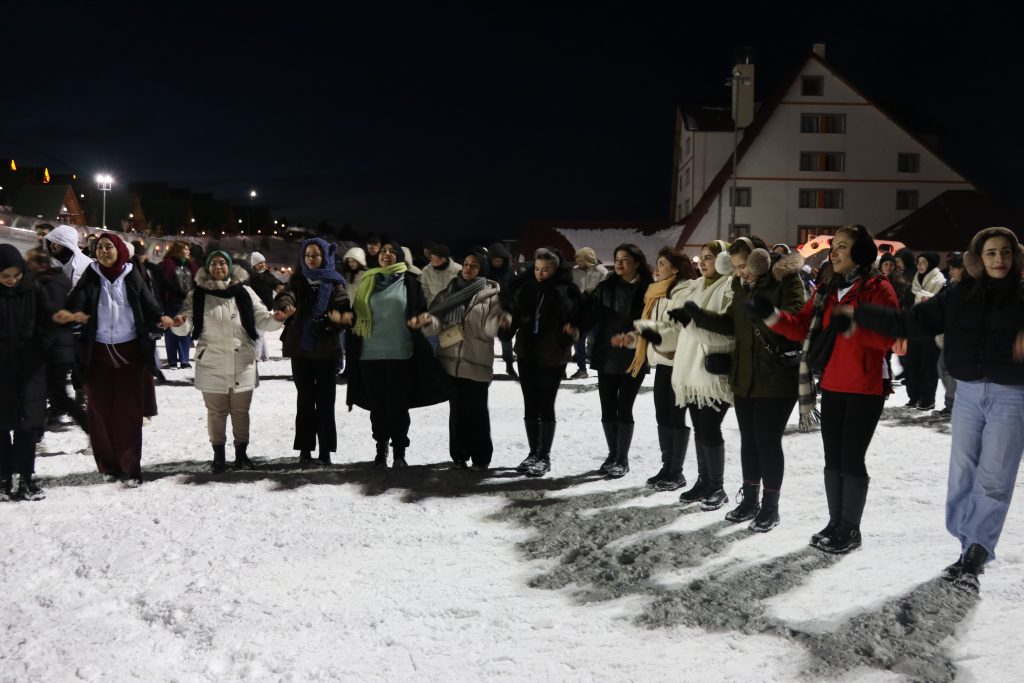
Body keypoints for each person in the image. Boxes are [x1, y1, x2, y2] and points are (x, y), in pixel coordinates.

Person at [834, 226, 1024, 593]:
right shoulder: (959, 294)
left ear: (1014, 256)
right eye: (990, 253)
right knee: (962, 475)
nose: (999, 259)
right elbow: (912, 322)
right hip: (968, 393)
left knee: (994, 478)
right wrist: (861, 317)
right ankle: (967, 541)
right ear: (977, 259)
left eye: (1005, 252)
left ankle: (976, 551)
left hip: (1011, 395)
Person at [758, 225, 897, 553]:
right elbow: (801, 327)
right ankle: (836, 522)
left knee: (851, 457)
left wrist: (854, 324)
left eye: (843, 247)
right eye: (833, 247)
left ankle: (850, 529)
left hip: (866, 385)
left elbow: (887, 337)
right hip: (833, 383)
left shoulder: (879, 288)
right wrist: (771, 315)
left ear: (861, 252)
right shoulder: (827, 287)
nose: (833, 253)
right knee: (832, 457)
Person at [675, 237, 804, 532]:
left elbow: (796, 324)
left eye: (744, 266)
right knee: (749, 441)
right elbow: (730, 325)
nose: (740, 273)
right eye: (734, 268)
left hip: (776, 377)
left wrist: (764, 313)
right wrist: (699, 317)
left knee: (767, 441)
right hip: (745, 377)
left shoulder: (786, 281)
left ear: (760, 258)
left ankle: (771, 507)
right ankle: (750, 500)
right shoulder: (740, 286)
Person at [53, 233, 173, 487]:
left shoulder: (131, 275)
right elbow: (76, 303)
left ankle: (130, 467)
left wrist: (160, 320)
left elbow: (150, 306)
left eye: (109, 247)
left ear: (120, 251)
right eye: (99, 248)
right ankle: (108, 465)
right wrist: (69, 314)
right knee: (99, 413)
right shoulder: (91, 276)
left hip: (129, 353)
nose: (104, 252)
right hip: (96, 354)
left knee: (128, 413)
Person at [171, 250, 287, 471]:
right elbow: (186, 323)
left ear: (230, 267)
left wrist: (276, 319)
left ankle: (241, 455)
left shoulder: (245, 292)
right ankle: (219, 457)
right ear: (207, 268)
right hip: (211, 362)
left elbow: (262, 319)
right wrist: (179, 324)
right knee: (216, 412)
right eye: (213, 263)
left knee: (241, 411)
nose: (218, 267)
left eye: (222, 263)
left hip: (241, 360)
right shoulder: (197, 295)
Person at [345, 240, 448, 468]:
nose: (387, 254)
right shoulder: (366, 281)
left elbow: (421, 310)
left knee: (398, 406)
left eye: (393, 252)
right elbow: (355, 315)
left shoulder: (410, 282)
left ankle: (399, 451)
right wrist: (345, 320)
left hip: (401, 354)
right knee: (377, 407)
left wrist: (421, 319)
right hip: (369, 355)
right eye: (384, 251)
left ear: (400, 258)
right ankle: (380, 448)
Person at [615, 247, 698, 490]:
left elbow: (679, 329)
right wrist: (632, 338)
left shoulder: (685, 291)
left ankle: (677, 471)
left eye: (662, 263)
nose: (657, 268)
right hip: (661, 362)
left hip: (679, 363)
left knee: (675, 416)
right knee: (662, 416)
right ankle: (667, 466)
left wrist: (648, 329)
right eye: (657, 263)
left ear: (675, 268)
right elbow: (655, 329)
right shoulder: (658, 293)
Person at [421, 251, 508, 470]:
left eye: (474, 266)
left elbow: (490, 330)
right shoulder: (448, 293)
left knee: (477, 413)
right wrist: (426, 321)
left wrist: (499, 322)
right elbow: (436, 325)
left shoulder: (491, 296)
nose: (468, 268)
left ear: (483, 270)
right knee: (457, 411)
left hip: (476, 362)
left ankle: (481, 457)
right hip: (450, 362)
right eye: (466, 264)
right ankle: (459, 455)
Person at [502, 248, 585, 477]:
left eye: (545, 270)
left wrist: (570, 333)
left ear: (555, 269)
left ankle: (544, 455)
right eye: (537, 269)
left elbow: (578, 317)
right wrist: (509, 324)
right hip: (527, 353)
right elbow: (514, 317)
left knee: (546, 404)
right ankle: (532, 452)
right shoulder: (525, 289)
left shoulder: (566, 290)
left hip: (552, 355)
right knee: (530, 404)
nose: (540, 273)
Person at [668, 240, 735, 509]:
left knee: (709, 427)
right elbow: (683, 330)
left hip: (714, 373)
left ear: (724, 260)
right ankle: (704, 481)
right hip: (693, 373)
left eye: (710, 257)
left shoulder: (730, 287)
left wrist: (691, 324)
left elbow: (726, 333)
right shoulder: (695, 287)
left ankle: (717, 486)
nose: (703, 262)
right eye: (701, 257)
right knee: (700, 429)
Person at [275, 238, 350, 466]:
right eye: (308, 254)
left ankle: (326, 450)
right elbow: (286, 295)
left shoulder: (335, 282)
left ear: (325, 257)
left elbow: (344, 309)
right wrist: (286, 305)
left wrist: (338, 319)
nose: (311, 258)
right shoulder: (297, 280)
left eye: (316, 255)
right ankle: (305, 449)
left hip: (326, 350)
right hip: (302, 350)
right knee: (305, 401)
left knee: (326, 402)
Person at [583, 244, 653, 478]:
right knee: (607, 407)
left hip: (634, 355)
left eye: (625, 259)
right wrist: (574, 324)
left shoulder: (648, 289)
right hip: (607, 353)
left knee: (624, 407)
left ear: (637, 262)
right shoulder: (605, 287)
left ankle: (621, 458)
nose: (620, 263)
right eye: (617, 259)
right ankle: (612, 454)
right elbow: (588, 314)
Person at [1, 245, 52, 501]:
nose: (11, 281)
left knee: (28, 426)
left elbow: (48, 325)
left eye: (15, 275)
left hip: (31, 370)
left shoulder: (35, 290)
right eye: (4, 276)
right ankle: (2, 477)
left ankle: (25, 478)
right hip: (2, 372)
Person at [24, 249, 88, 432]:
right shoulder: (49, 281)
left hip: (54, 348)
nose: (27, 266)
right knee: (50, 393)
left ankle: (89, 427)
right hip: (55, 347)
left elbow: (53, 315)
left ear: (42, 266)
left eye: (30, 263)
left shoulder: (50, 285)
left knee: (51, 393)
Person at [903, 252, 946, 410]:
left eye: (924, 262)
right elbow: (907, 304)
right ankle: (914, 396)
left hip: (930, 331)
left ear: (931, 264)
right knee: (912, 365)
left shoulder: (940, 283)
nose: (920, 265)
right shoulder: (914, 284)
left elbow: (942, 308)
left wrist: (930, 302)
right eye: (918, 262)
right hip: (914, 330)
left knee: (928, 366)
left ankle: (928, 399)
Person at [570, 247, 608, 379]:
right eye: (577, 259)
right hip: (580, 311)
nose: (577, 262)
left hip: (596, 311)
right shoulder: (574, 271)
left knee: (597, 342)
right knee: (579, 340)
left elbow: (604, 291)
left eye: (580, 259)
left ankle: (601, 371)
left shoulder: (602, 271)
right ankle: (582, 369)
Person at [935, 252, 965, 418]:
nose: (951, 271)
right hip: (950, 335)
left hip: (959, 338)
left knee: (948, 370)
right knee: (943, 368)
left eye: (954, 268)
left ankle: (953, 405)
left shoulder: (966, 289)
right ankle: (951, 404)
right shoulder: (952, 286)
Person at [161, 241, 198, 369]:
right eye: (186, 249)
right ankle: (172, 361)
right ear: (178, 250)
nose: (188, 252)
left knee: (185, 330)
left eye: (188, 249)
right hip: (171, 302)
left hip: (187, 303)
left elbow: (195, 283)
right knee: (170, 331)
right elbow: (163, 284)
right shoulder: (167, 264)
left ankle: (184, 360)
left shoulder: (191, 265)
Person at [488, 242, 518, 378]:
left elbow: (515, 290)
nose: (497, 263)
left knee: (506, 339)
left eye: (499, 260)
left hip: (505, 309)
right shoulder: (486, 271)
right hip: (488, 309)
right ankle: (487, 367)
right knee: (487, 340)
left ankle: (509, 365)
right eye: (495, 260)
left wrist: (511, 307)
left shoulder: (510, 271)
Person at [248, 251, 280, 363]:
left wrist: (280, 286)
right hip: (254, 308)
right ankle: (263, 356)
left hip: (266, 308)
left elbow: (276, 283)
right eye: (259, 263)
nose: (262, 264)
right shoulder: (250, 276)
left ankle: (256, 358)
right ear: (254, 264)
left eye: (263, 262)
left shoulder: (267, 275)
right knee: (259, 333)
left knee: (259, 333)